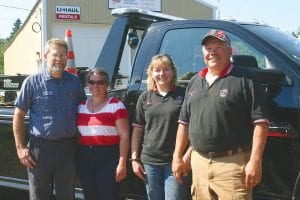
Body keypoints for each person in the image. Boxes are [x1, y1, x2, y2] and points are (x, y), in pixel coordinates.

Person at [172, 29, 270, 200]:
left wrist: (255, 161)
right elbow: (184, 123)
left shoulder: (246, 79)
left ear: (230, 51)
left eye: (219, 46)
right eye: (208, 48)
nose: (212, 52)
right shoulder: (195, 81)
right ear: (203, 52)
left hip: (232, 166)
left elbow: (261, 123)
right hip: (199, 164)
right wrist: (178, 156)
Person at [12, 38, 86, 200]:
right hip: (40, 149)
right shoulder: (32, 82)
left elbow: (83, 111)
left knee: (66, 195)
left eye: (63, 55)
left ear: (67, 57)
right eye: (55, 54)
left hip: (68, 148)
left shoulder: (74, 82)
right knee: (39, 195)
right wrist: (20, 148)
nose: (59, 58)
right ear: (45, 56)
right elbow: (18, 115)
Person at [131, 54, 189, 200]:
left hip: (174, 161)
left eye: (166, 69)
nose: (162, 73)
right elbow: (137, 130)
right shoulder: (145, 97)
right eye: (157, 70)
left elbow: (193, 127)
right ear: (151, 73)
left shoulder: (184, 94)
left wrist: (186, 155)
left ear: (173, 71)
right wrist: (134, 159)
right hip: (150, 161)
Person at [76, 68, 130, 200]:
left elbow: (124, 136)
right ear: (87, 84)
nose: (95, 86)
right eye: (91, 82)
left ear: (107, 85)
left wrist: (122, 163)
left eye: (100, 82)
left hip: (108, 157)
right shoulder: (80, 106)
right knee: (90, 196)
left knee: (108, 196)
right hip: (84, 157)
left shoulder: (116, 106)